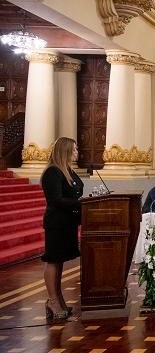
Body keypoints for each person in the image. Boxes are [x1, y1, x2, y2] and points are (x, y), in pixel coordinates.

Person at [40, 137, 84, 322]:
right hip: (56, 223)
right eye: (73, 150)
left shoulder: (68, 171)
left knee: (60, 261)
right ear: (64, 151)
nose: (76, 153)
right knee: (53, 260)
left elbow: (76, 190)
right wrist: (81, 204)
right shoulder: (53, 172)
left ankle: (59, 299)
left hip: (68, 223)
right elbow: (56, 200)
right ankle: (52, 301)